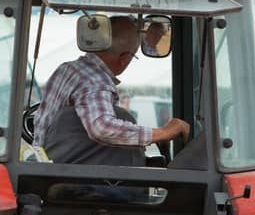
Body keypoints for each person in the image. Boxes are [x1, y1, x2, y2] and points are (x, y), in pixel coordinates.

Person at [35, 17, 189, 166]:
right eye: (133, 56)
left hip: (45, 167)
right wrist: (163, 133)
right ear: (125, 58)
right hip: (70, 180)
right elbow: (102, 127)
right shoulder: (95, 82)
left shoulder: (67, 69)